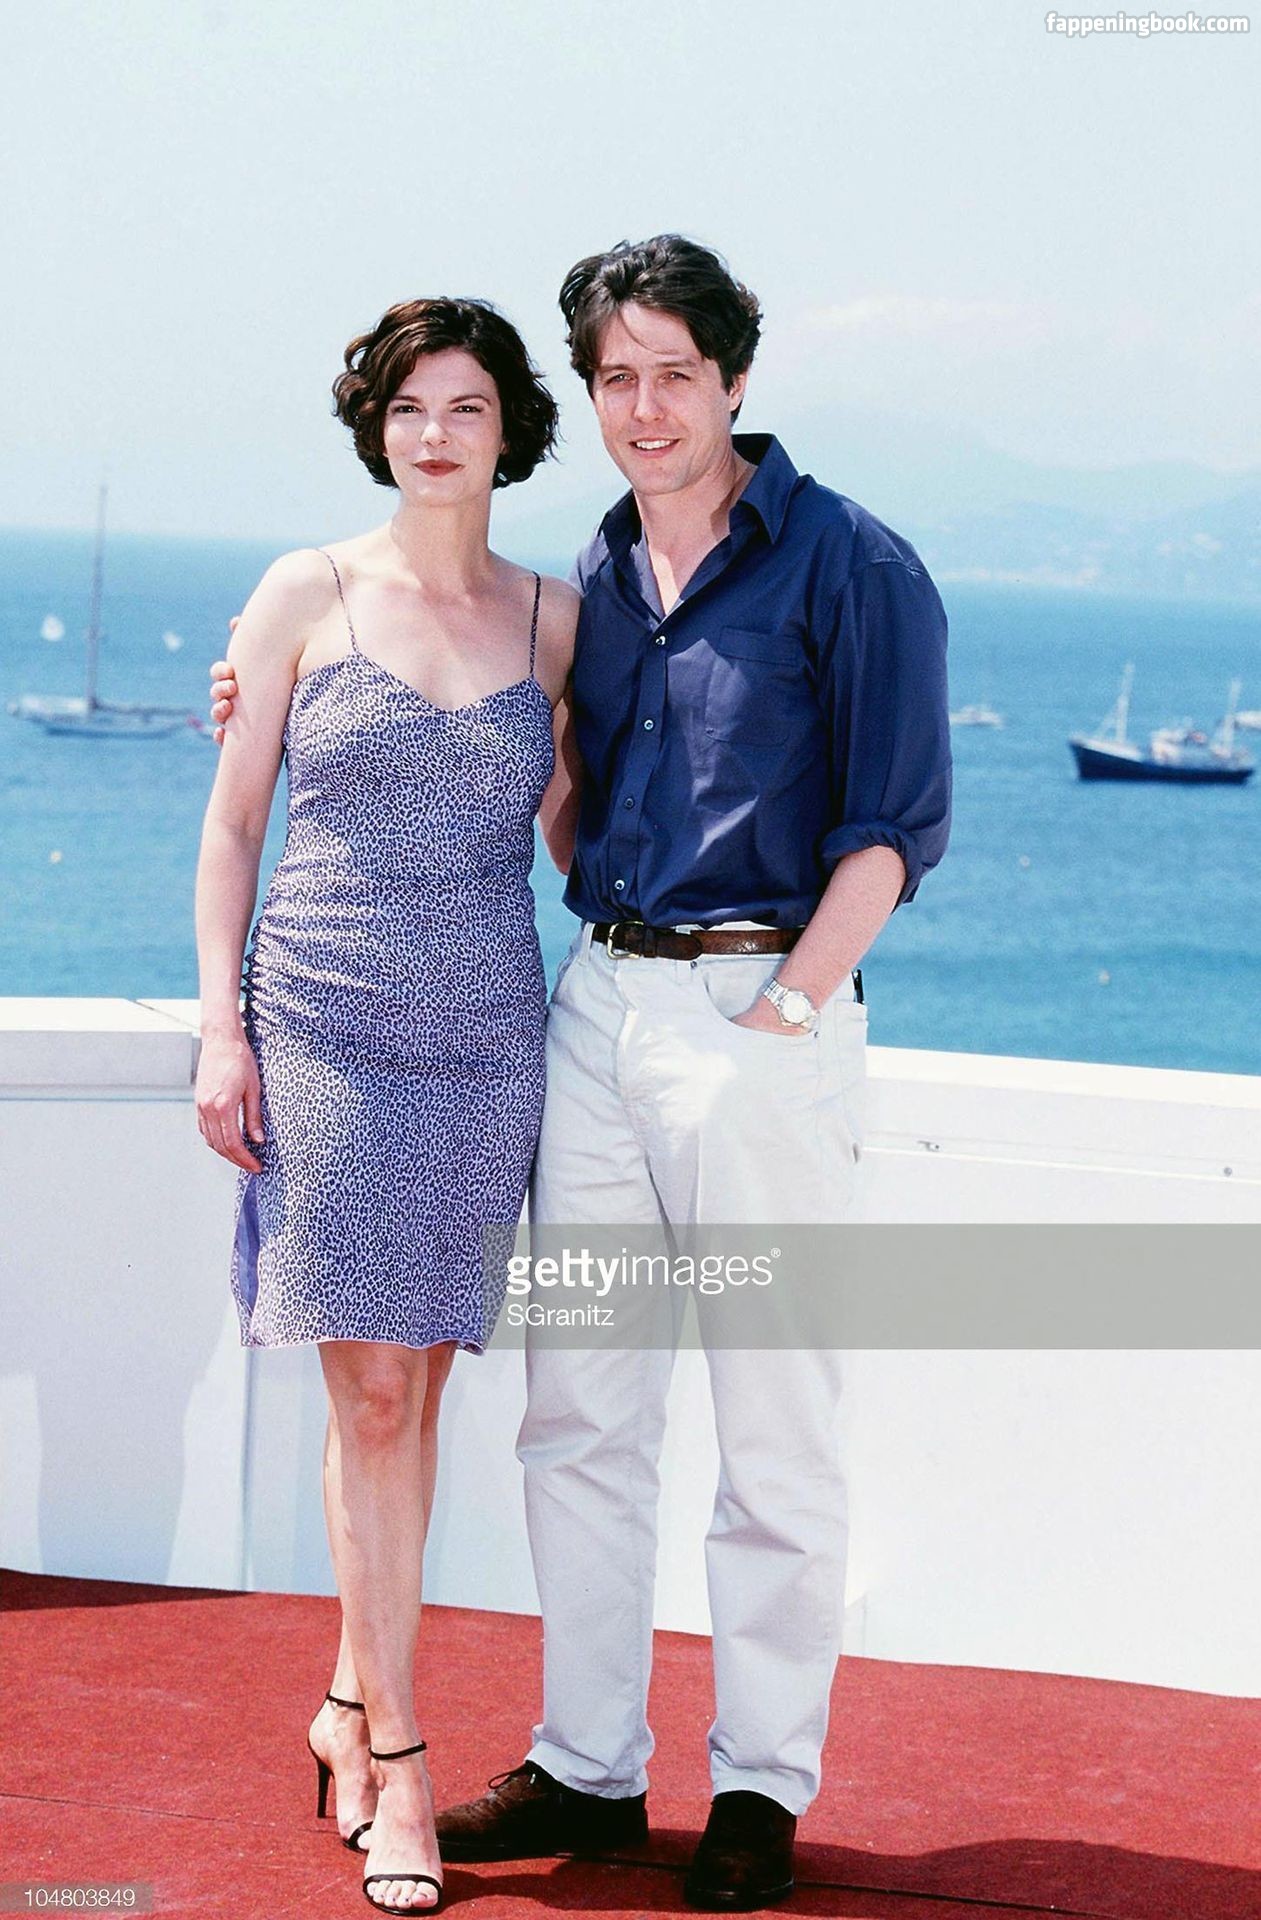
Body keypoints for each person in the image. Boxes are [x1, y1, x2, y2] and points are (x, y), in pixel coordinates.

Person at [211, 236, 952, 1910]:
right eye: (618, 376)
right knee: (582, 1419)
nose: (646, 406)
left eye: (676, 372)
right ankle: (590, 1766)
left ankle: (756, 1787)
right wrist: (261, 692)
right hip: (592, 1015)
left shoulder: (850, 562)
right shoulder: (594, 580)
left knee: (773, 1430)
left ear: (735, 379)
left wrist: (786, 1013)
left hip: (759, 1019)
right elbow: (540, 784)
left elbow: (896, 825)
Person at [195, 296, 578, 1916]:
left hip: (485, 1035)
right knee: (366, 1398)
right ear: (377, 426)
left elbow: (588, 836)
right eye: (410, 407)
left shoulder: (556, 620)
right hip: (324, 1023)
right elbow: (233, 830)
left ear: (510, 433)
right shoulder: (305, 590)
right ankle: (404, 1765)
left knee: (415, 1393)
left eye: (466, 407)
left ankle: (347, 1705)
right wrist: (222, 1032)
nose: (435, 434)